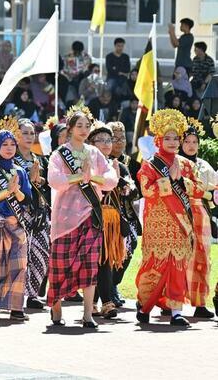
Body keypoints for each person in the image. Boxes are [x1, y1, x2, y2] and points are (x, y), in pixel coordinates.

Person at [47, 107, 118, 328]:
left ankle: (88, 315)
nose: (84, 130)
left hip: (90, 214)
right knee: (61, 263)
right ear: (69, 128)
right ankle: (56, 307)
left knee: (89, 265)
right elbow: (54, 180)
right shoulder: (60, 153)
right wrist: (79, 175)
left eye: (88, 126)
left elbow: (111, 178)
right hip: (65, 219)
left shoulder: (94, 153)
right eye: (80, 126)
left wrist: (93, 177)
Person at [135, 109, 203, 326]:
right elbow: (147, 190)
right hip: (157, 224)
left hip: (181, 223)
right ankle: (144, 303)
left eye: (176, 138)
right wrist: (167, 180)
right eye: (168, 138)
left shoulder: (186, 165)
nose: (173, 142)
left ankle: (176, 312)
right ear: (158, 139)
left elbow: (199, 189)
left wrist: (182, 182)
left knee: (177, 266)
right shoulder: (149, 164)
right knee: (155, 266)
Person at [0, 119, 33, 321]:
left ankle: (16, 307)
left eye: (12, 145)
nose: (9, 149)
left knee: (19, 266)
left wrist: (16, 190)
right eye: (4, 145)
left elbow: (27, 200)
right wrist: (6, 191)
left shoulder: (20, 171)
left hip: (16, 224)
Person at [178, 118, 216, 319]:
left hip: (201, 216)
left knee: (201, 258)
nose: (191, 146)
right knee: (176, 256)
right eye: (187, 142)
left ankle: (200, 303)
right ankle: (171, 301)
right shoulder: (173, 163)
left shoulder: (204, 165)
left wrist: (209, 195)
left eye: (194, 142)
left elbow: (215, 189)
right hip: (178, 214)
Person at [86, 123, 124, 319]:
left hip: (112, 222)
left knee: (107, 260)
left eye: (109, 140)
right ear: (91, 143)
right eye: (101, 140)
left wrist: (126, 187)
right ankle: (92, 302)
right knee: (94, 260)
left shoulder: (117, 164)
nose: (107, 144)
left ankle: (106, 302)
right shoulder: (88, 163)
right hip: (91, 216)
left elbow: (131, 193)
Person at [14, 119, 52, 308]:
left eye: (31, 133)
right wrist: (28, 180)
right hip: (19, 212)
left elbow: (48, 185)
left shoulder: (40, 159)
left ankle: (33, 294)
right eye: (25, 133)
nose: (29, 137)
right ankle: (18, 293)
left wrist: (41, 181)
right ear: (16, 134)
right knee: (21, 254)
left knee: (42, 252)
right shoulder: (11, 159)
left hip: (40, 212)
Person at [106, 122, 141, 306]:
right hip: (108, 213)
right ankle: (107, 290)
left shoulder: (131, 163)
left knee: (130, 247)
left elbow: (139, 190)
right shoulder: (101, 160)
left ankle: (114, 284)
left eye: (122, 138)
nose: (119, 142)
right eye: (114, 138)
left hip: (128, 214)